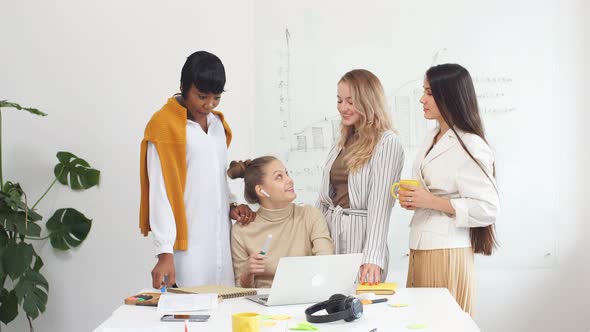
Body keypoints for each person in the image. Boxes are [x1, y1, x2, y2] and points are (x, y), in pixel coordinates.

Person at [139, 51, 256, 289]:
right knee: (189, 315)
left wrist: (231, 205)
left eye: (216, 98)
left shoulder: (218, 125)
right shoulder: (163, 127)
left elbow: (215, 178)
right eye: (202, 96)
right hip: (186, 248)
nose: (209, 105)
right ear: (183, 87)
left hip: (220, 241)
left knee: (223, 312)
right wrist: (164, 252)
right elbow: (160, 193)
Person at [398, 63, 500, 315]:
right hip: (420, 245)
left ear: (450, 96)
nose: (422, 99)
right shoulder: (432, 137)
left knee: (442, 323)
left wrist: (430, 201)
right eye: (424, 91)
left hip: (446, 250)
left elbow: (488, 208)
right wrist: (414, 199)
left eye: (430, 93)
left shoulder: (471, 144)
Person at [317, 69, 405, 285]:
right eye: (339, 101)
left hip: (362, 241)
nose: (343, 108)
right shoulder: (341, 139)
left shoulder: (387, 142)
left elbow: (381, 205)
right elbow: (324, 197)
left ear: (368, 101)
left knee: (361, 312)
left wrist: (372, 258)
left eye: (350, 101)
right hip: (330, 239)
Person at [228, 157, 334, 288]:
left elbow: (326, 264)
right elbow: (241, 290)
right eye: (279, 177)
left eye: (287, 173)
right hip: (261, 305)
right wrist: (247, 273)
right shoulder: (241, 230)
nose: (289, 180)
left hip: (304, 299)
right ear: (261, 191)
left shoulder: (310, 216)